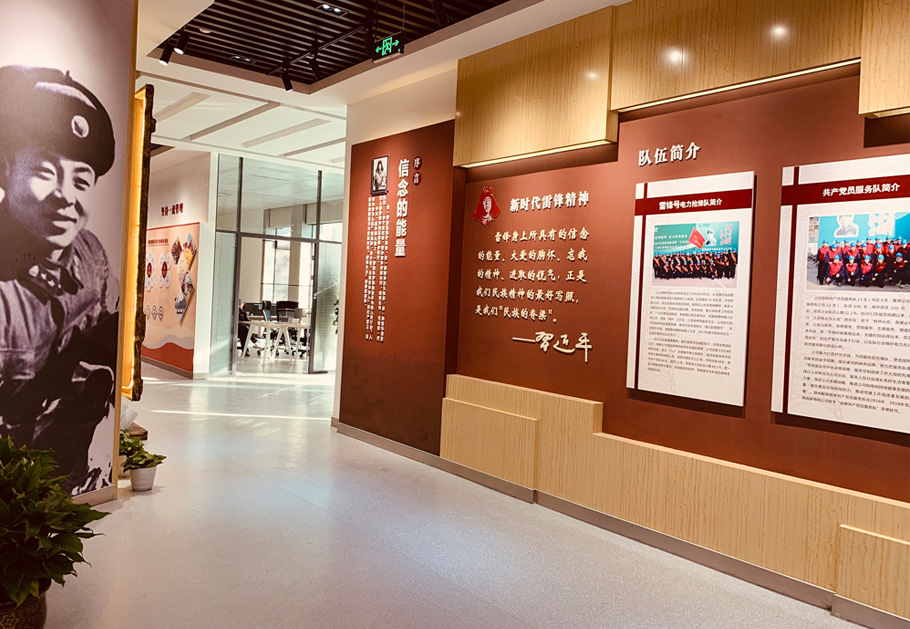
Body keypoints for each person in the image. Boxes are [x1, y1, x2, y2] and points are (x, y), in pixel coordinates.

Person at [0, 66, 118, 494]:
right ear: (5, 170)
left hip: (68, 478)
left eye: (81, 180)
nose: (66, 196)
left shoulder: (91, 254)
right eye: (45, 172)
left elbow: (106, 331)